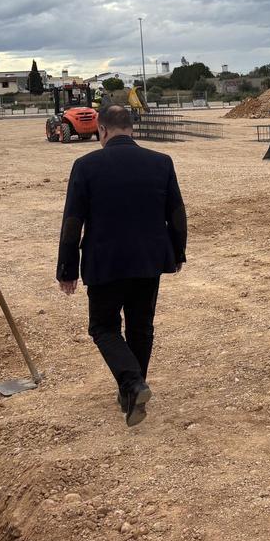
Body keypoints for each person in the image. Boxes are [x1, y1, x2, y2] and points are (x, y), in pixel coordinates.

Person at [57, 105, 187, 427]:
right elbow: (177, 212)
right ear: (132, 128)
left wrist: (67, 268)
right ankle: (131, 390)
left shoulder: (85, 166)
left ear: (101, 130)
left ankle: (132, 384)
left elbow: (73, 222)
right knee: (141, 327)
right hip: (149, 260)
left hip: (106, 262)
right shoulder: (161, 162)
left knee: (103, 327)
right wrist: (178, 253)